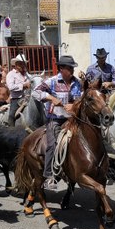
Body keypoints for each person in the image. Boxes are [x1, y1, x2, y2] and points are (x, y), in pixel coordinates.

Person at [32, 56, 82, 190]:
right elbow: (35, 92)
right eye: (69, 68)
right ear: (61, 68)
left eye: (72, 67)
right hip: (55, 119)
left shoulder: (77, 83)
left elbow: (80, 99)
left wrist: (75, 106)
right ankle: (49, 176)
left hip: (72, 118)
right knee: (52, 144)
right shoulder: (52, 81)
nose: (72, 70)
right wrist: (50, 97)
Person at [6, 56, 31, 127]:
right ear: (16, 65)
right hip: (16, 99)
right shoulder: (11, 74)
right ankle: (11, 128)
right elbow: (11, 87)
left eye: (23, 64)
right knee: (12, 115)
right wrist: (23, 85)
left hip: (28, 98)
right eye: (21, 64)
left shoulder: (27, 74)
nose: (23, 65)